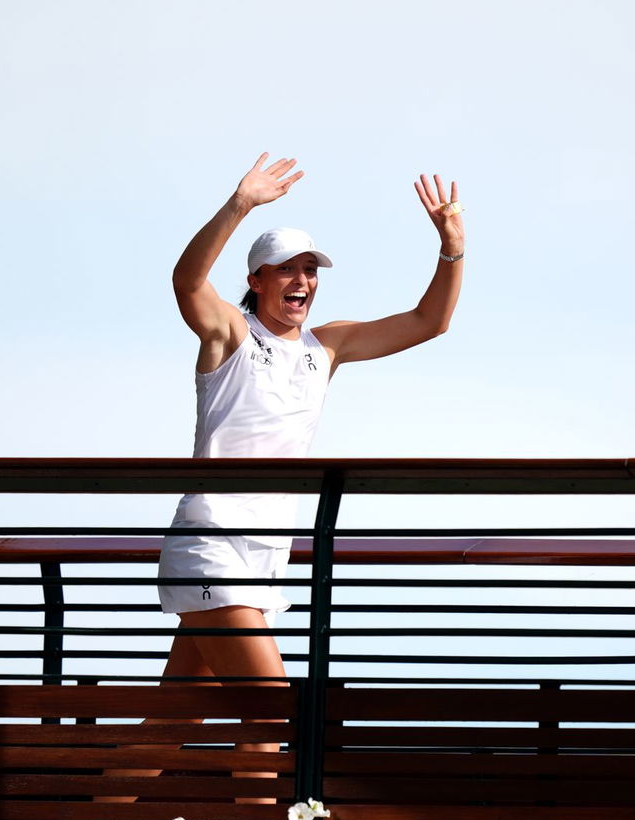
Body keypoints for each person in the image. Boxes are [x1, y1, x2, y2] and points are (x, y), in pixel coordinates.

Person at [158, 152, 467, 683]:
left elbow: (429, 321)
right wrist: (240, 205)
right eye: (286, 269)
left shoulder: (327, 345)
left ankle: (75, 772)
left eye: (309, 269)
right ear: (257, 281)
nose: (302, 279)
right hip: (212, 547)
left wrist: (452, 251)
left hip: (266, 555)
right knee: (274, 713)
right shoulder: (231, 332)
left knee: (176, 723)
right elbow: (187, 283)